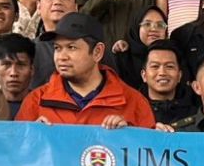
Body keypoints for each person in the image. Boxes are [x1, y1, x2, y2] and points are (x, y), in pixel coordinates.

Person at [15, 12, 156, 128]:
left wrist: (129, 136)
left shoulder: (134, 102)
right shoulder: (36, 101)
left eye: (72, 47)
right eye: (57, 48)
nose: (61, 57)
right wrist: (32, 137)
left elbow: (150, 151)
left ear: (97, 52)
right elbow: (16, 150)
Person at [30, 0, 81, 89]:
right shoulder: (28, 50)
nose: (57, 2)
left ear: (76, 8)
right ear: (39, 7)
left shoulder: (91, 48)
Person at [110, 6, 169, 92]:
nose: (154, 29)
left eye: (160, 25)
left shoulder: (173, 56)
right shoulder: (123, 57)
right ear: (136, 28)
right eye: (147, 24)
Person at [141, 40, 199, 126]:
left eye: (169, 66)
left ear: (179, 76)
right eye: (155, 66)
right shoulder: (132, 111)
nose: (162, 73)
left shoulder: (196, 115)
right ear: (144, 75)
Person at [0, 33, 36, 119]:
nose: (13, 73)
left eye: (21, 65)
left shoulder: (43, 105)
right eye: (6, 64)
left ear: (32, 69)